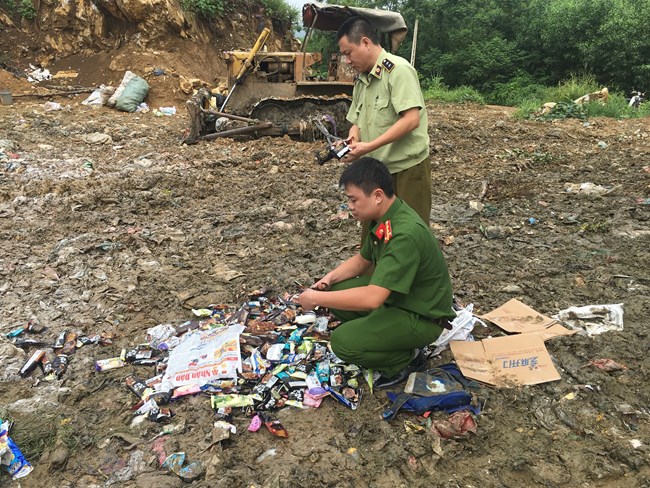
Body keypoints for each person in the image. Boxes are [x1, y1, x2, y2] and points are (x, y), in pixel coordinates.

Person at [297, 158, 455, 389]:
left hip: (422, 317)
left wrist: (316, 299)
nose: (350, 206)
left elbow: (373, 298)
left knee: (343, 343)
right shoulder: (387, 216)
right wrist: (328, 280)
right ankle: (383, 334)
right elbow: (362, 260)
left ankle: (405, 360)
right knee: (338, 290)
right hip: (403, 301)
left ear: (378, 195)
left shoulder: (404, 235)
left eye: (353, 200)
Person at [337, 16, 432, 230]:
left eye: (348, 53)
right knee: (375, 236)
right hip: (376, 172)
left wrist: (368, 147)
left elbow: (411, 120)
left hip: (406, 170)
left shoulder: (398, 71)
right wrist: (353, 141)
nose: (347, 61)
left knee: (409, 234)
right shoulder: (362, 80)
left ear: (365, 42)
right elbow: (357, 120)